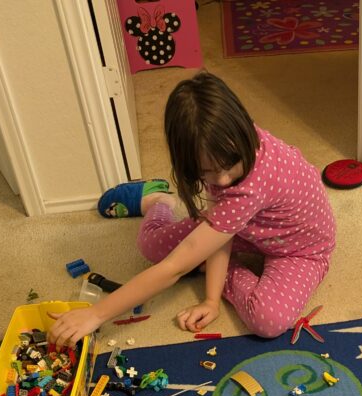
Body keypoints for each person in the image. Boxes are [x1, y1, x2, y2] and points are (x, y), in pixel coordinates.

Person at [48, 71, 336, 347]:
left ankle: (202, 258)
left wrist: (96, 314)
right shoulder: (224, 143)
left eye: (229, 167)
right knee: (150, 245)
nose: (222, 180)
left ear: (243, 132)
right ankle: (158, 201)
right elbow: (221, 231)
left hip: (301, 249)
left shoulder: (249, 184)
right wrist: (211, 299)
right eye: (206, 172)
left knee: (268, 320)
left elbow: (176, 267)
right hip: (247, 227)